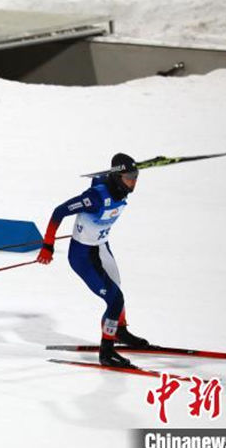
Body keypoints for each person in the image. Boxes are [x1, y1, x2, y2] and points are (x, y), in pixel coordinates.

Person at [37, 153, 149, 367]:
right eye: (129, 177)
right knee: (115, 300)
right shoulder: (95, 197)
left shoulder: (119, 186)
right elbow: (59, 211)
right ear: (117, 177)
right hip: (83, 257)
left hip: (102, 247)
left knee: (117, 293)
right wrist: (48, 245)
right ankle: (106, 352)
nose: (133, 182)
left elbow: (104, 177)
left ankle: (119, 332)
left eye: (136, 177)